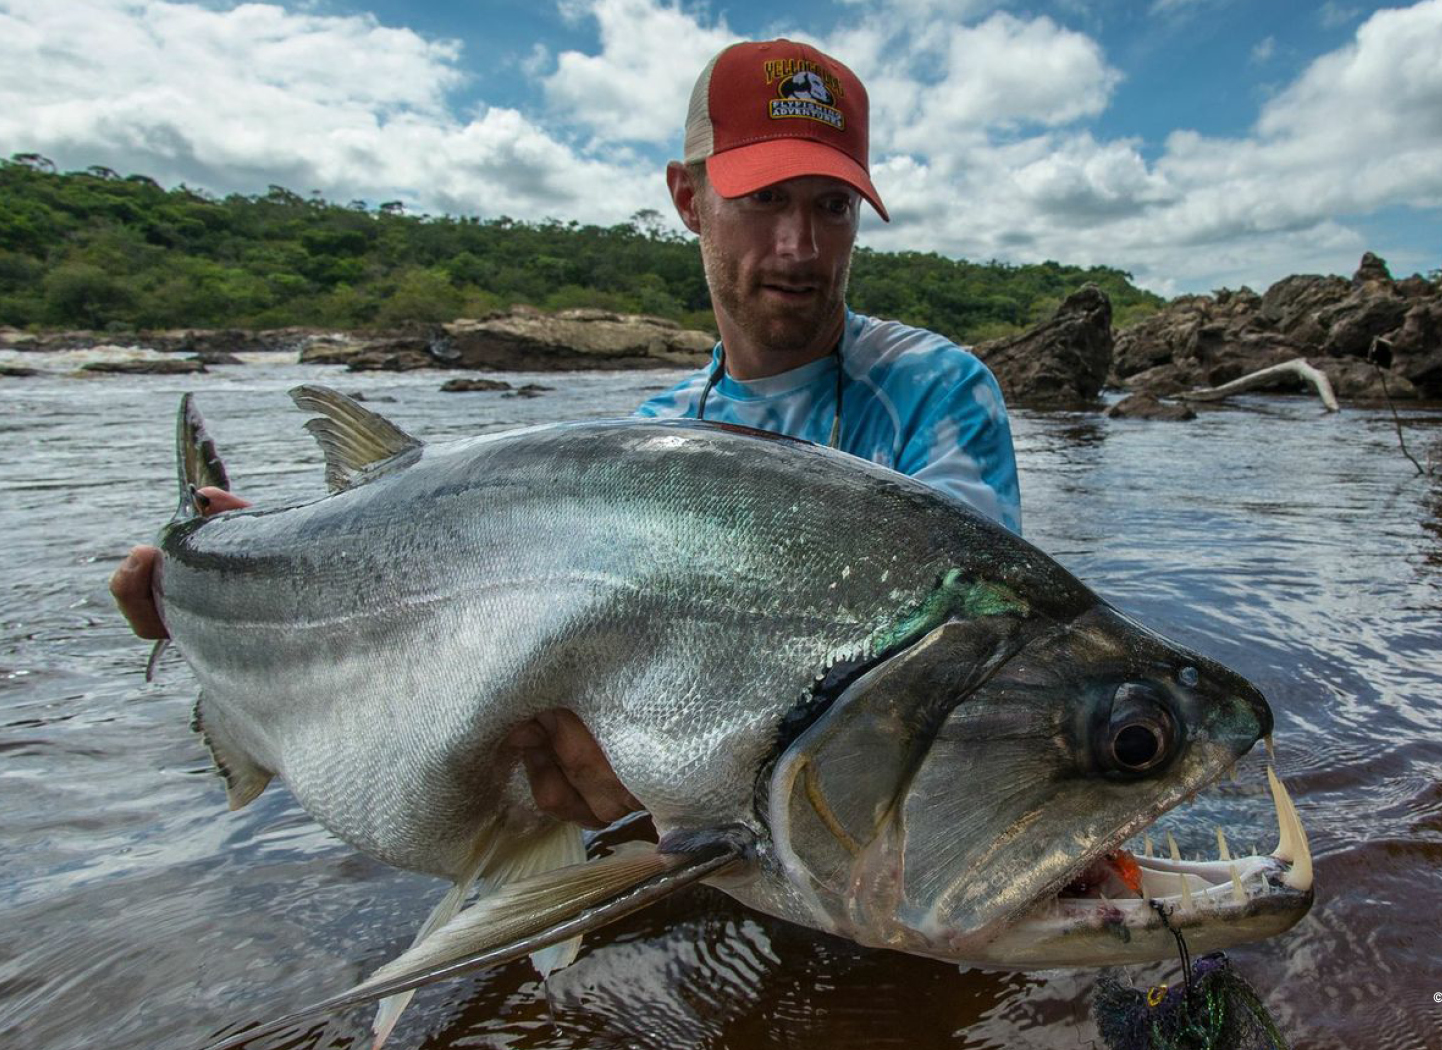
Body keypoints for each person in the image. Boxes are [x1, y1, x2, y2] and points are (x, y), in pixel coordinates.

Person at [110, 38, 1018, 832]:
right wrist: (223, 574)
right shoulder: (647, 445)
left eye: (831, 207)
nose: (798, 246)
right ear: (687, 198)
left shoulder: (937, 393)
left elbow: (986, 682)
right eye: (765, 197)